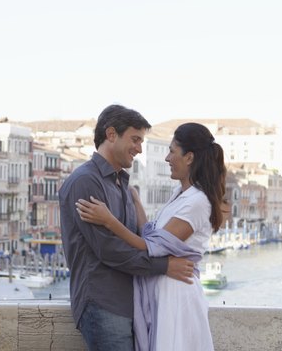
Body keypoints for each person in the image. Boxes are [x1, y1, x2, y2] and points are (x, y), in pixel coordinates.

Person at [76, 122, 227, 351]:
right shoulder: (181, 194)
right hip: (165, 294)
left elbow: (148, 245)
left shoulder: (197, 202)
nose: (167, 158)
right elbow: (152, 233)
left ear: (189, 158)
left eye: (172, 151)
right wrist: (136, 201)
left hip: (177, 296)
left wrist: (108, 220)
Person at [59, 104, 196, 351]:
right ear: (111, 135)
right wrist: (164, 266)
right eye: (135, 139)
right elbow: (109, 249)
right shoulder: (85, 182)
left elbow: (135, 237)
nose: (139, 149)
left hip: (125, 305)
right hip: (103, 303)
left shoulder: (122, 185)